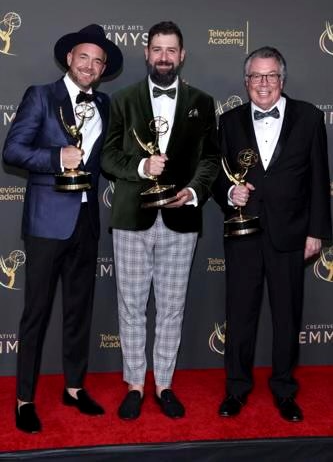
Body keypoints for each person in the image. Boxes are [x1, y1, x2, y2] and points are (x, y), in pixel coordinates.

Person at [2, 24, 123, 433]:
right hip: (46, 223)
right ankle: (24, 399)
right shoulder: (40, 95)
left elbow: (112, 157)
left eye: (98, 61)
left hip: (86, 223)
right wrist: (58, 157)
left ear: (104, 69)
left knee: (78, 312)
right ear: (69, 58)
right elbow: (12, 150)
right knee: (35, 313)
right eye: (83, 57)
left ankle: (73, 388)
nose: (90, 66)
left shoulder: (106, 104)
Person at [101, 21, 220, 420]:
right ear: (146, 53)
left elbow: (210, 160)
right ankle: (134, 384)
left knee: (172, 307)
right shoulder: (122, 99)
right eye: (157, 49)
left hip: (181, 219)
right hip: (132, 219)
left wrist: (193, 192)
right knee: (131, 307)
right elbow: (107, 157)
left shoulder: (203, 102)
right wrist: (141, 166)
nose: (164, 57)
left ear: (182, 55)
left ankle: (163, 384)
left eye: (171, 50)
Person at [213, 46, 332, 422]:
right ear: (245, 81)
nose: (263, 84)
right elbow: (216, 175)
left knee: (287, 316)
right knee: (240, 314)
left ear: (282, 79)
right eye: (255, 76)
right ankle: (236, 389)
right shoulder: (229, 122)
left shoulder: (309, 117)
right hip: (243, 230)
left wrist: (317, 232)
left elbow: (318, 177)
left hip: (291, 233)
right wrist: (230, 193)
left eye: (270, 76)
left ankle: (284, 390)